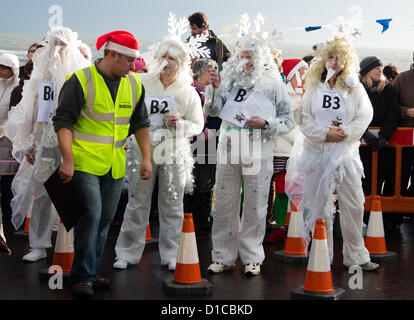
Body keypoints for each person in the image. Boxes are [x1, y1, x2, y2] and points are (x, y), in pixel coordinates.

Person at [53, 30, 151, 297]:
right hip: (83, 161)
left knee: (105, 218)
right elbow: (63, 122)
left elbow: (141, 123)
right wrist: (68, 161)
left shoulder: (134, 84)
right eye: (129, 60)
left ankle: (88, 271)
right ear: (112, 54)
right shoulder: (80, 81)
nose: (134, 66)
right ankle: (83, 276)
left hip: (115, 164)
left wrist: (146, 158)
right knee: (92, 215)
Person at [286, 36, 379, 271]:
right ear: (323, 59)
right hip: (317, 151)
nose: (334, 61)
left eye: (338, 57)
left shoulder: (354, 87)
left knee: (354, 203)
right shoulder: (313, 86)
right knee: (320, 206)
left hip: (345, 154)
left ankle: (356, 256)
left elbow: (365, 114)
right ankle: (321, 257)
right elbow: (303, 117)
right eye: (330, 56)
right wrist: (324, 134)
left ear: (346, 60)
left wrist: (346, 133)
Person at [204, 34, 294, 276]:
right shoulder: (228, 81)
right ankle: (222, 255)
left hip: (258, 150)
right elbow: (213, 110)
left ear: (260, 55)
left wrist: (266, 123)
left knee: (255, 204)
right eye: (243, 55)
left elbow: (288, 121)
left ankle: (253, 256)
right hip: (229, 148)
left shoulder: (273, 84)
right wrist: (212, 89)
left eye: (251, 55)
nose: (247, 60)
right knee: (224, 203)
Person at [113, 38, 204, 271]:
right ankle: (127, 252)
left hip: (173, 151)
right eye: (164, 57)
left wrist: (181, 124)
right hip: (141, 149)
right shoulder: (141, 82)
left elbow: (197, 124)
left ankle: (172, 254)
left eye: (173, 59)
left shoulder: (187, 91)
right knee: (137, 201)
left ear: (181, 63)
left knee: (172, 203)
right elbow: (124, 109)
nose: (167, 62)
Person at [5, 27, 91, 263]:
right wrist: (31, 144)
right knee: (42, 192)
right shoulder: (40, 78)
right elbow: (32, 113)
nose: (56, 50)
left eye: (61, 45)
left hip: (75, 144)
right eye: (52, 44)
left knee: (75, 193)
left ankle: (73, 244)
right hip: (45, 141)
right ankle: (39, 244)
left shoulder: (81, 75)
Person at [266, 58, 307, 242]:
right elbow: (282, 122)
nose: (305, 75)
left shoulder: (305, 94)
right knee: (275, 190)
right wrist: (298, 140)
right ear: (292, 74)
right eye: (302, 71)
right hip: (280, 149)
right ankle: (275, 224)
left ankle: (288, 224)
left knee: (291, 190)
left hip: (296, 150)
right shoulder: (282, 95)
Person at [183, 58, 221, 235]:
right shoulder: (189, 90)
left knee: (206, 182)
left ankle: (202, 219)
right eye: (210, 70)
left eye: (215, 70)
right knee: (190, 181)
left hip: (211, 142)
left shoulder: (215, 91)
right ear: (199, 73)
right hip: (191, 141)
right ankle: (187, 218)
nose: (214, 74)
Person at [359, 56, 400, 198]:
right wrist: (364, 133)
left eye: (380, 67)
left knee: (382, 176)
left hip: (383, 144)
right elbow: (351, 113)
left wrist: (384, 136)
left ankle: (383, 217)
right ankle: (363, 216)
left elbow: (393, 113)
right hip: (361, 144)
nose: (380, 69)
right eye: (376, 67)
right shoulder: (357, 89)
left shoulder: (388, 89)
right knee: (363, 179)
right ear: (366, 71)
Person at [0, 53, 20, 220]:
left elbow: (15, 113)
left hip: (8, 137)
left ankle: (8, 211)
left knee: (8, 175)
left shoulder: (18, 88)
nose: (1, 71)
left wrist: (4, 128)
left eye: (4, 68)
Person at [392, 61, 414, 197]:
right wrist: (406, 112)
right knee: (401, 174)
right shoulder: (402, 78)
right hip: (404, 139)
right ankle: (396, 216)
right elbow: (391, 105)